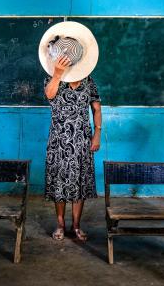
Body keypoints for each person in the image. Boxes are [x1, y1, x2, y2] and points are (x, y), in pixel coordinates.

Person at [43, 54, 102, 242]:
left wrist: (97, 133)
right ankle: (60, 225)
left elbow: (97, 109)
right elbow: (49, 95)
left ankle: (76, 225)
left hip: (82, 139)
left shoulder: (88, 81)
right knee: (59, 183)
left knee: (80, 183)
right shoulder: (51, 76)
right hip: (59, 140)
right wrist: (58, 74)